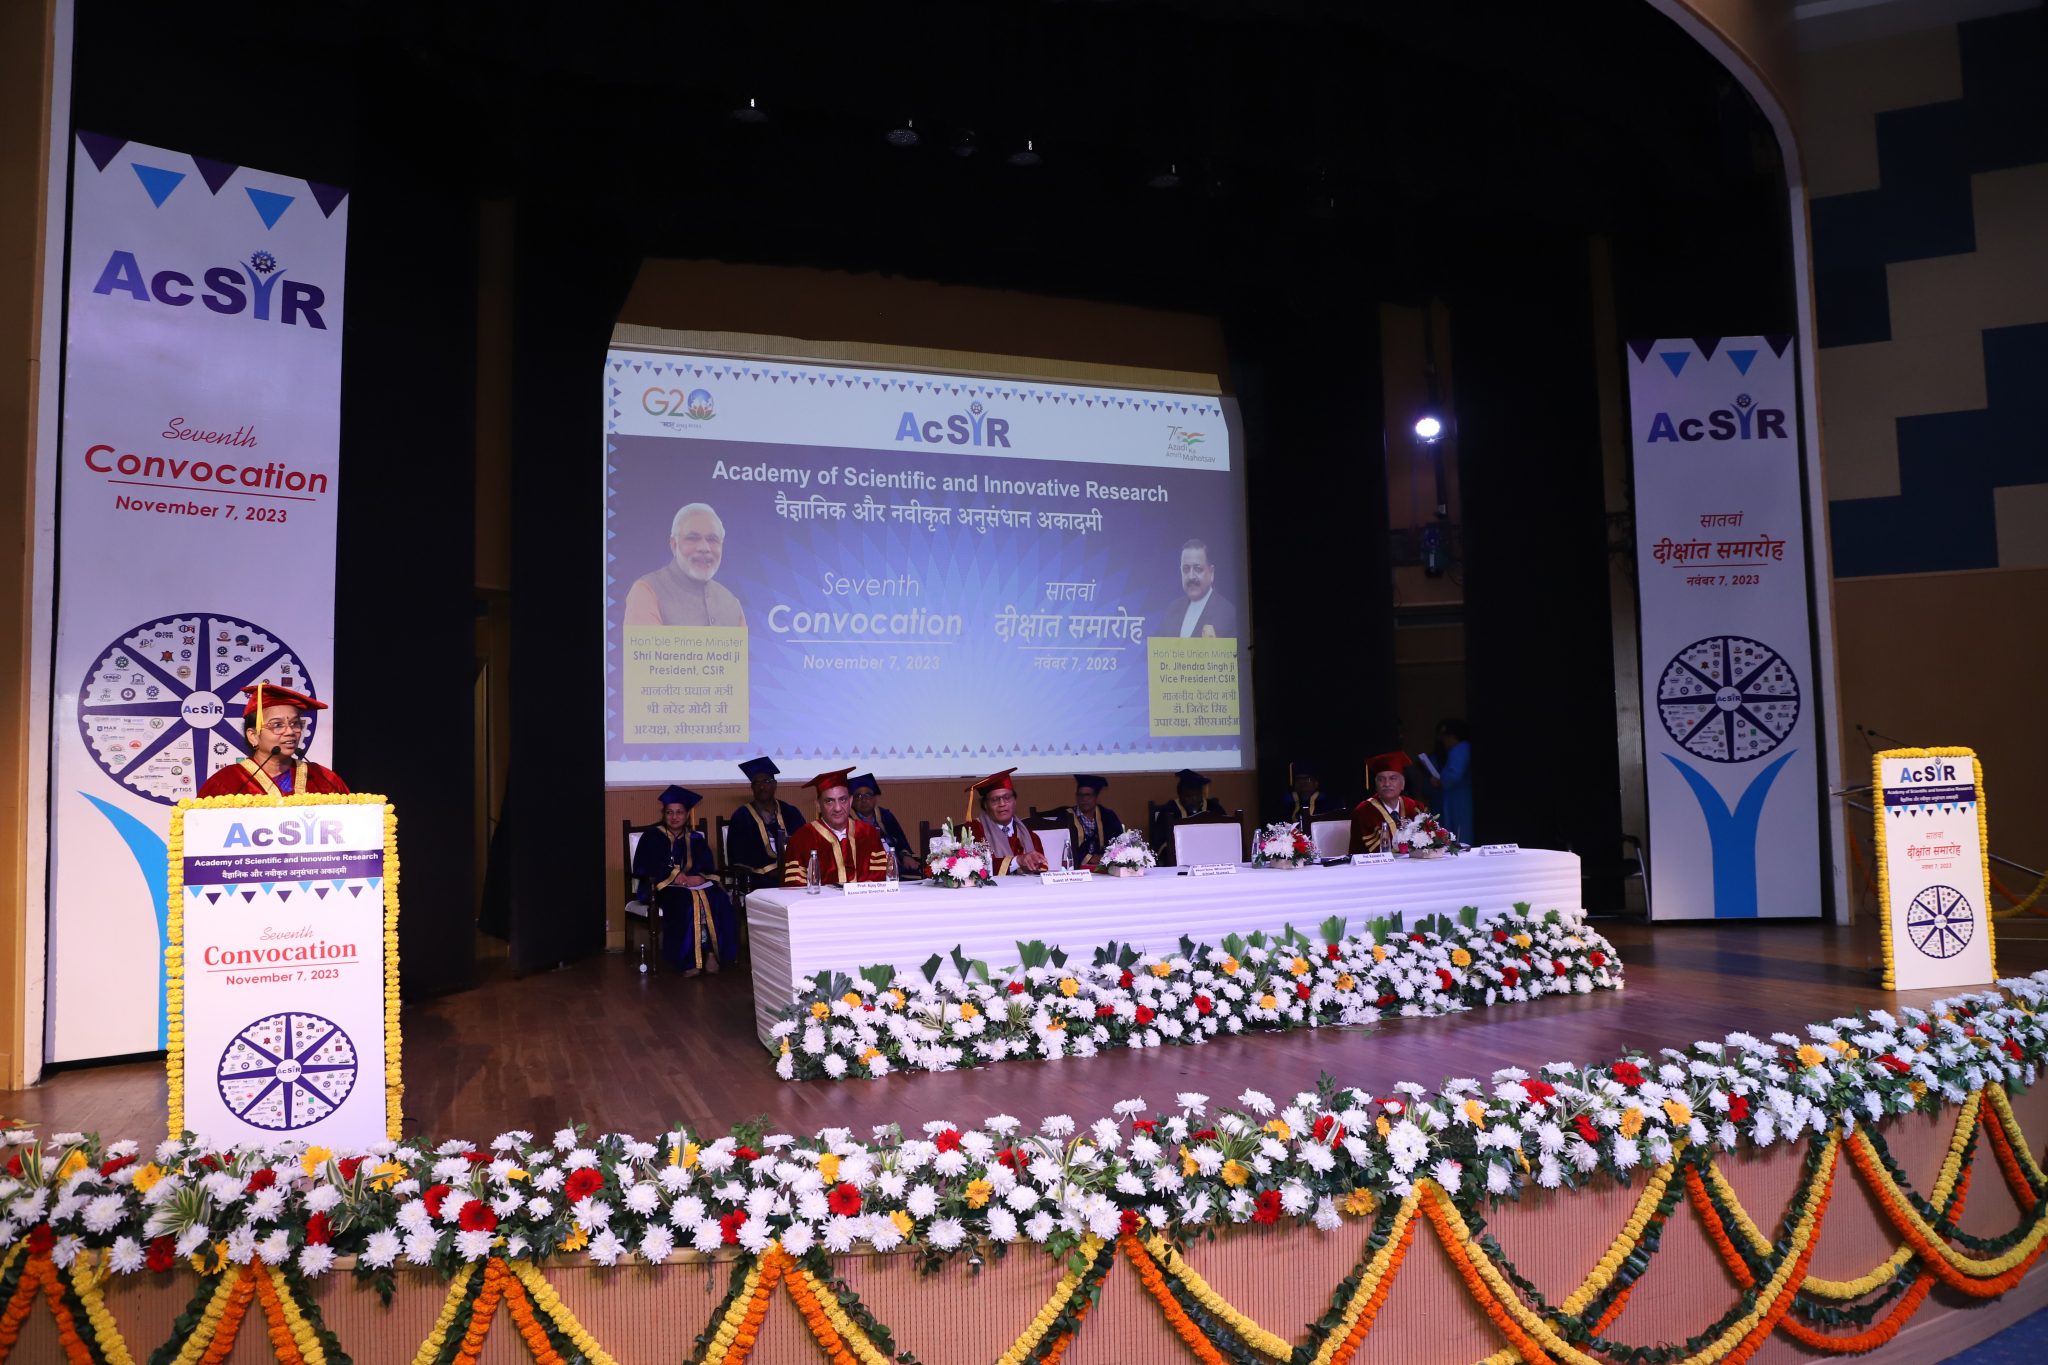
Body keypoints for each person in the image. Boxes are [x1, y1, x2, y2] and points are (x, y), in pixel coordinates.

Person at [631, 785, 737, 975]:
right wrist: (673, 876)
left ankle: (712, 953)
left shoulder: (695, 838)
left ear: (687, 814)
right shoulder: (652, 836)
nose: (674, 817)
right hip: (661, 888)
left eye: (679, 812)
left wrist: (700, 877)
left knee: (718, 898)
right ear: (664, 814)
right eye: (669, 812)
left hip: (693, 887)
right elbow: (642, 865)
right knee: (687, 903)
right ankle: (690, 961)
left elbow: (707, 867)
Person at [196, 683, 349, 797]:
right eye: (277, 725)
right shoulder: (226, 783)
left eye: (295, 723)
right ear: (253, 736)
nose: (290, 731)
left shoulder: (323, 779)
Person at [622, 502, 745, 627]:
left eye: (712, 539)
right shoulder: (646, 590)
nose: (704, 548)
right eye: (693, 538)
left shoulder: (732, 604)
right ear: (674, 545)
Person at [781, 767, 891, 886]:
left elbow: (879, 879)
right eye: (829, 801)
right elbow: (795, 887)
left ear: (850, 801)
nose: (837, 808)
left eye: (843, 800)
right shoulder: (802, 839)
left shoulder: (869, 834)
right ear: (818, 805)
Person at [727, 756, 805, 889]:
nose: (762, 786)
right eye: (756, 783)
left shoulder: (790, 812)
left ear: (775, 784)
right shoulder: (741, 816)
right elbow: (737, 855)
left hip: (791, 872)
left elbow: (804, 842)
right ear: (752, 787)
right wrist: (769, 869)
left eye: (766, 781)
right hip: (758, 877)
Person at [966, 768, 1047, 874]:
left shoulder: (1031, 837)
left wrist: (1033, 865)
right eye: (995, 800)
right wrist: (1018, 861)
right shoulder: (973, 832)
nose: (1002, 804)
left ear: (1015, 801)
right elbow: (979, 867)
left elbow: (1042, 867)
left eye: (1007, 797)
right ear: (985, 805)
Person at [1157, 538, 1238, 639]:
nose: (1191, 576)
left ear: (1211, 572)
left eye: (1198, 569)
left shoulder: (1227, 614)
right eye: (1186, 569)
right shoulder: (1172, 610)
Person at [1350, 753, 1427, 854]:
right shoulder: (1364, 812)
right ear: (1376, 785)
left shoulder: (1415, 807)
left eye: (1392, 778)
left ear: (1402, 784)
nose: (1387, 784)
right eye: (1381, 779)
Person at [849, 773, 923, 877]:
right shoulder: (847, 819)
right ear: (851, 800)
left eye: (868, 795)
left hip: (895, 866)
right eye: (858, 796)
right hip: (864, 870)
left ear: (875, 798)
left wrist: (906, 856)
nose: (863, 800)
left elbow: (900, 841)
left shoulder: (885, 815)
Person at [1151, 768, 1226, 865]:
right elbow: (1160, 842)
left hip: (1211, 860)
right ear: (1180, 795)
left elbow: (1225, 835)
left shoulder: (1213, 807)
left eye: (1197, 795)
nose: (1194, 799)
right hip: (1180, 860)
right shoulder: (1169, 810)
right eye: (1188, 796)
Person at [1065, 775, 1124, 868]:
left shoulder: (1108, 816)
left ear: (1096, 797)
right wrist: (1089, 858)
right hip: (1076, 868)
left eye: (1088, 795)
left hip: (1103, 868)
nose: (1084, 799)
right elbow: (1064, 848)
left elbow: (1119, 841)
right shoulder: (1067, 817)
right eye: (1080, 795)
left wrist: (1106, 857)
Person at [1435, 718, 1474, 842]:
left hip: (1460, 800)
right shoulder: (1460, 750)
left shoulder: (1461, 749)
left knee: (1461, 835)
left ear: (1452, 737)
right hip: (1457, 798)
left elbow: (1455, 775)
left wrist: (1440, 782)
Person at [1271, 760, 1341, 827]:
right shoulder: (1287, 803)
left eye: (1307, 779)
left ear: (1316, 783)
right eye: (1298, 780)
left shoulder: (1329, 802)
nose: (1302, 783)